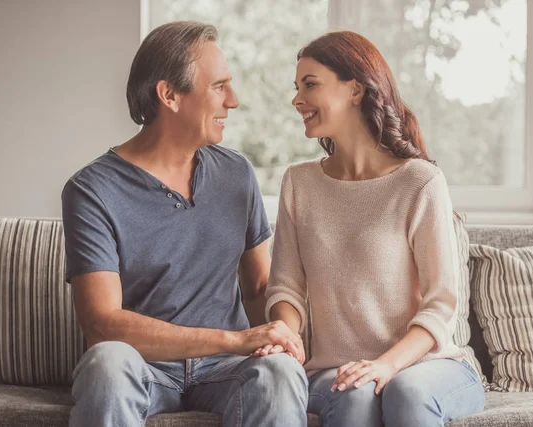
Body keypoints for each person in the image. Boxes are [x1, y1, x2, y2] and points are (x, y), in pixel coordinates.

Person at [61, 21, 308, 427]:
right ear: (169, 95)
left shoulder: (237, 174)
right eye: (219, 86)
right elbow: (102, 324)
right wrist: (234, 339)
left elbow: (260, 287)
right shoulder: (91, 190)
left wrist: (286, 338)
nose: (234, 100)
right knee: (107, 361)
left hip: (226, 370)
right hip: (144, 366)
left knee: (279, 373)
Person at [257, 30, 485, 426]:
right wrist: (285, 338)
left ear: (356, 90)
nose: (297, 100)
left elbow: (440, 305)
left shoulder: (420, 182)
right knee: (355, 392)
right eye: (296, 88)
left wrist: (385, 365)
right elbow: (286, 288)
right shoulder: (299, 182)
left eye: (310, 85)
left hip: (428, 366)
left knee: (405, 390)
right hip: (335, 370)